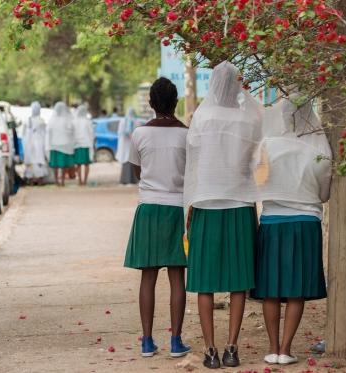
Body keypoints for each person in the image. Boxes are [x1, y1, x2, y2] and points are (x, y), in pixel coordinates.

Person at [184, 61, 262, 369]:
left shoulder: (202, 117)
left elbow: (193, 163)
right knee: (238, 281)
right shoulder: (248, 119)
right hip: (240, 202)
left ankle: (210, 350)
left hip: (206, 202)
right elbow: (255, 161)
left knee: (205, 282)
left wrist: (189, 206)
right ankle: (232, 348)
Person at [252, 97, 332, 365]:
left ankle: (272, 348)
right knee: (296, 289)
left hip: (273, 221)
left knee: (271, 289)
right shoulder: (319, 150)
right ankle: (286, 350)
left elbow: (257, 182)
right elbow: (324, 195)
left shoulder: (266, 146)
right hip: (306, 223)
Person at [123, 77, 191, 359]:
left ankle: (147, 342)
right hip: (177, 208)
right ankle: (176, 341)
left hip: (149, 209)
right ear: (175, 102)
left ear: (151, 103)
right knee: (177, 278)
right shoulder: (187, 135)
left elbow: (137, 171)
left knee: (148, 278)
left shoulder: (139, 134)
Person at [46, 102, 75, 186]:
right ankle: (62, 181)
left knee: (55, 165)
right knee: (63, 165)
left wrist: (48, 145)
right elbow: (71, 131)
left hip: (54, 145)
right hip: (64, 145)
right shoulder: (67, 120)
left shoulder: (52, 120)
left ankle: (56, 181)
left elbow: (48, 132)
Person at [22, 102, 48, 185]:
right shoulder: (41, 121)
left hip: (29, 144)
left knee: (31, 161)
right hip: (39, 144)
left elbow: (23, 134)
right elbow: (45, 134)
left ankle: (31, 179)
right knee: (38, 161)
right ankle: (39, 179)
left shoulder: (27, 120)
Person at [73, 105, 95, 186]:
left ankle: (80, 181)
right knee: (86, 164)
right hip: (86, 144)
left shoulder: (74, 121)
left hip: (77, 145)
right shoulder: (88, 121)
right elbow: (91, 133)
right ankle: (85, 181)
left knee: (78, 164)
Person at [117, 108, 139, 185]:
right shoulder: (136, 121)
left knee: (126, 160)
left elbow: (119, 132)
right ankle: (134, 180)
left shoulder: (123, 121)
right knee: (133, 160)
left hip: (125, 144)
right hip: (132, 144)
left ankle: (125, 180)